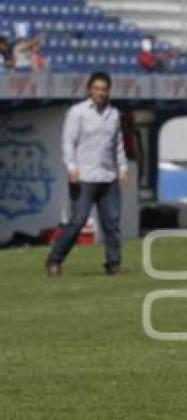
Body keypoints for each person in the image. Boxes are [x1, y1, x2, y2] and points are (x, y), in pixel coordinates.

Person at [46, 71, 128, 277]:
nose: (100, 93)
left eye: (104, 89)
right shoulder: (77, 112)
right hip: (84, 177)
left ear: (108, 91)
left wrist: (123, 167)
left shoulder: (114, 114)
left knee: (112, 224)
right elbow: (68, 142)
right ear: (89, 90)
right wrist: (71, 167)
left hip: (108, 177)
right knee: (78, 221)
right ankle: (55, 259)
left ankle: (113, 264)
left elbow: (117, 144)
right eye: (96, 89)